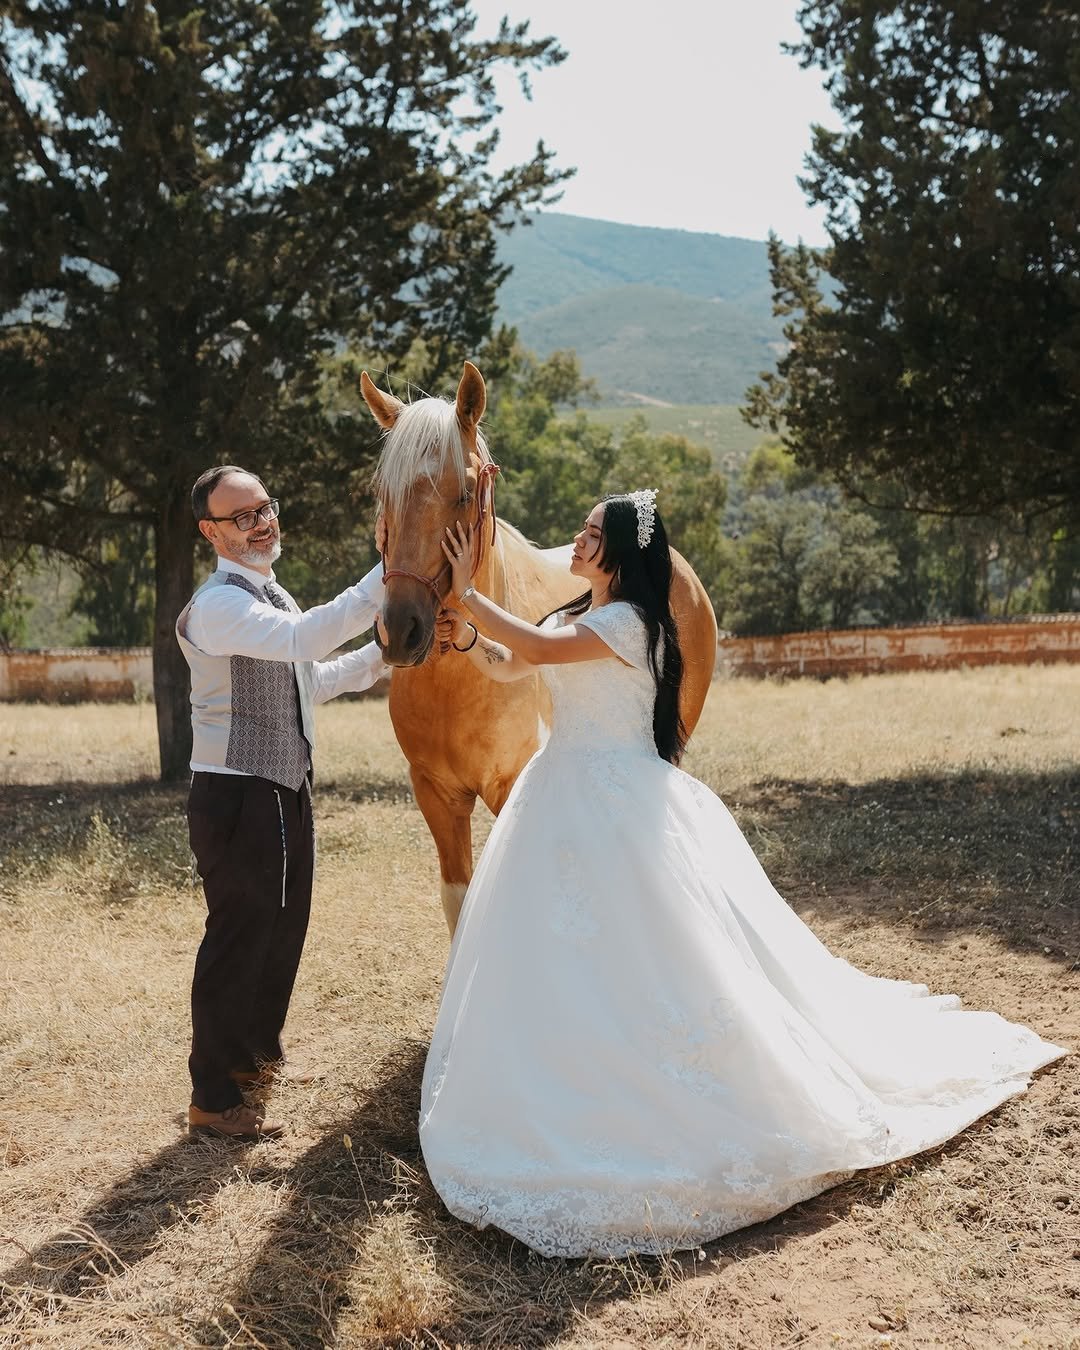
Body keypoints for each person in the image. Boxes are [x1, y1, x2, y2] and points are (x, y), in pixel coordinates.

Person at [418, 490, 1067, 1258]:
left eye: (592, 533)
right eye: (582, 529)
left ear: (620, 550)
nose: (578, 540)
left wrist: (468, 592)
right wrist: (471, 638)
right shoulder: (575, 615)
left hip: (616, 804)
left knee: (650, 950)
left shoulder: (628, 623)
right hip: (560, 796)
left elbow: (539, 646)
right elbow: (517, 663)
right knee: (567, 950)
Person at [176, 465, 388, 1140]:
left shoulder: (273, 596)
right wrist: (392, 568)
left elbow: (308, 681)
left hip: (282, 785)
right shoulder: (218, 605)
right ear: (211, 532)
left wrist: (380, 655)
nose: (261, 523)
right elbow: (304, 640)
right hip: (236, 792)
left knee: (281, 932)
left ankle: (250, 1066)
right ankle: (212, 1098)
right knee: (238, 941)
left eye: (265, 508)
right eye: (241, 517)